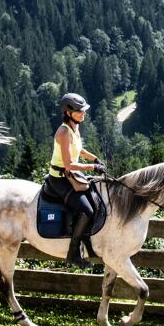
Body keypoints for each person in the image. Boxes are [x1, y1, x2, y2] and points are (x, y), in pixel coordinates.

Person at [49, 93, 103, 267]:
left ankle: (87, 242)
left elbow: (79, 150)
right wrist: (92, 168)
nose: (83, 114)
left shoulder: (75, 128)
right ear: (68, 112)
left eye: (83, 111)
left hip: (70, 176)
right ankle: (73, 253)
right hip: (60, 179)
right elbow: (69, 164)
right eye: (79, 111)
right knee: (86, 211)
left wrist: (95, 159)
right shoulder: (64, 132)